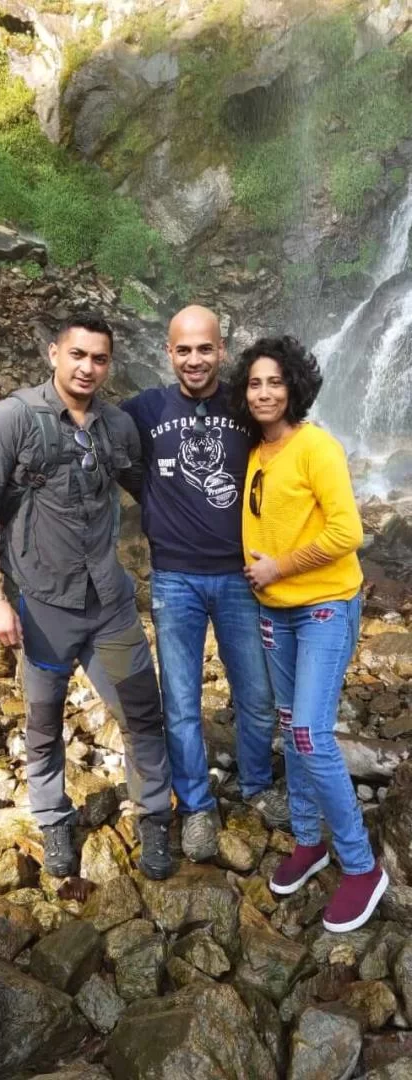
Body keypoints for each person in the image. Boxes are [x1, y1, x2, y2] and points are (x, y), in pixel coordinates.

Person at [0, 312, 173, 882]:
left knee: (142, 713)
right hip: (43, 605)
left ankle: (154, 815)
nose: (87, 367)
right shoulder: (10, 419)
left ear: (109, 365)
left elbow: (154, 494)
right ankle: (54, 819)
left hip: (110, 604)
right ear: (54, 353)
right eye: (77, 354)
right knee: (44, 722)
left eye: (99, 358)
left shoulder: (118, 426)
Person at [229, 334, 388, 931]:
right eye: (255, 383)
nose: (264, 392)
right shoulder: (255, 451)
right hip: (276, 613)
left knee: (308, 732)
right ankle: (307, 840)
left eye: (275, 382)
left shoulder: (316, 446)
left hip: (324, 607)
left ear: (294, 387)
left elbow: (348, 533)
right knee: (291, 727)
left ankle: (361, 866)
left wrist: (280, 568)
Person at [122, 305, 288, 864]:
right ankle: (196, 806)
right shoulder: (145, 408)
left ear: (222, 350)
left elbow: (287, 451)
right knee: (182, 705)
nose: (195, 360)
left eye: (205, 348)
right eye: (184, 350)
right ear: (169, 353)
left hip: (241, 576)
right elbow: (96, 434)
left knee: (257, 698)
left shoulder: (245, 405)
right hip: (174, 580)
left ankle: (257, 785)